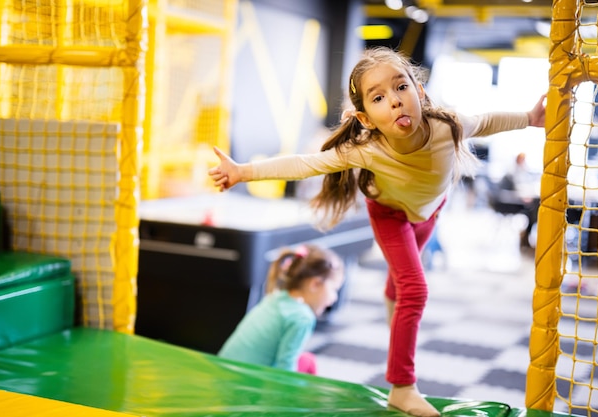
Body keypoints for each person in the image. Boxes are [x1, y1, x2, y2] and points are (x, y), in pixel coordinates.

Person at [209, 46, 546, 417]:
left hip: (429, 212)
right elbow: (307, 163)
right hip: (389, 214)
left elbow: (486, 120)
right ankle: (402, 387)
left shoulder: (448, 125)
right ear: (366, 118)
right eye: (379, 98)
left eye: (401, 88)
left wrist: (530, 117)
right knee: (415, 289)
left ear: (419, 90)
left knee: (403, 285)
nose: (396, 102)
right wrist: (244, 171)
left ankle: (394, 299)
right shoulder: (366, 148)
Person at [218, 244, 344, 375]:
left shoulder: (275, 297)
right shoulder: (302, 317)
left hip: (223, 370)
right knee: (307, 363)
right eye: (334, 289)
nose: (334, 298)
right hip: (244, 383)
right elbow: (285, 368)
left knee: (306, 360)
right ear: (315, 284)